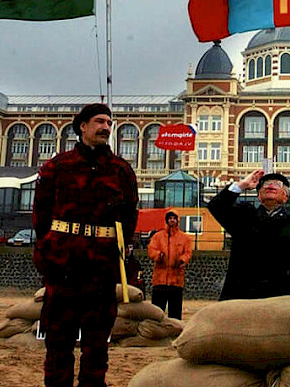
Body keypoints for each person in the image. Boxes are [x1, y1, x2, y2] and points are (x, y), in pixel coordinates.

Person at [32, 103, 138, 387]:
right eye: (100, 121)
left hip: (100, 268)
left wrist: (120, 252)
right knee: (58, 341)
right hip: (63, 265)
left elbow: (130, 216)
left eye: (109, 123)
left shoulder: (121, 170)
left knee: (97, 343)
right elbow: (41, 215)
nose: (106, 127)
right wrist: (47, 249)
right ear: (82, 126)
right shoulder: (57, 166)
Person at [207, 169, 290, 300]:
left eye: (277, 184)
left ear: (285, 196)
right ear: (259, 196)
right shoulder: (243, 216)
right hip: (241, 298)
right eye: (265, 184)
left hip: (280, 299)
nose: (270, 186)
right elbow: (216, 206)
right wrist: (242, 185)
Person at [147, 210, 194, 319]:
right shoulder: (158, 237)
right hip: (160, 280)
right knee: (157, 312)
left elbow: (188, 252)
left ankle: (175, 331)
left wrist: (182, 260)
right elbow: (151, 250)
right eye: (170, 218)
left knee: (175, 313)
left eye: (174, 218)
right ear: (166, 220)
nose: (172, 220)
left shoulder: (185, 238)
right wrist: (159, 256)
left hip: (176, 281)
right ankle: (156, 331)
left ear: (177, 220)